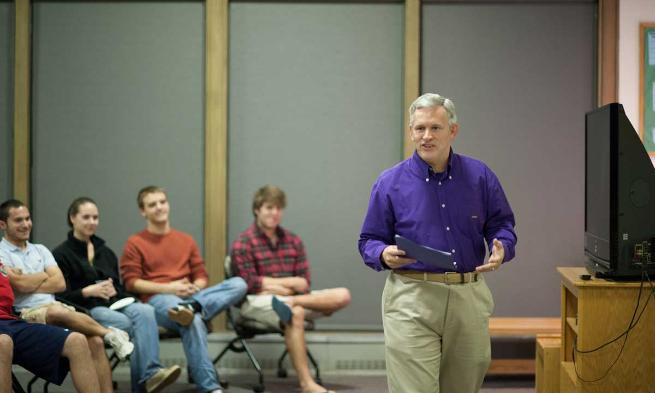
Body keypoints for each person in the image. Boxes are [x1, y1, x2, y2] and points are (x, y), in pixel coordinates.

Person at [358, 93, 517, 393]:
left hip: (467, 296)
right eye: (419, 129)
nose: (426, 136)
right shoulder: (389, 182)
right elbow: (368, 240)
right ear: (411, 132)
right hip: (411, 297)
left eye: (435, 128)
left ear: (453, 131)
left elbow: (502, 225)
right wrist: (383, 254)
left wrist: (501, 247)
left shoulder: (480, 176)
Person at [120, 186, 248, 393]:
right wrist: (169, 288)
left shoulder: (186, 240)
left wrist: (194, 287)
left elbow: (201, 276)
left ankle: (193, 306)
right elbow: (132, 282)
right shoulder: (135, 242)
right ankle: (209, 387)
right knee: (194, 320)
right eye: (152, 204)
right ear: (143, 212)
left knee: (239, 284)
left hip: (191, 296)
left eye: (162, 202)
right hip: (158, 299)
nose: (159, 207)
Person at [0, 199, 134, 393]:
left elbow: (60, 283)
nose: (26, 224)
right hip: (27, 313)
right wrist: (45, 275)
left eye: (28, 219)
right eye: (18, 220)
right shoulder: (2, 252)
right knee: (55, 310)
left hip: (56, 309)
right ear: (3, 224)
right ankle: (110, 334)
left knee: (94, 342)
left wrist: (30, 281)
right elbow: (19, 286)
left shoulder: (41, 249)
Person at [53, 197, 181, 393]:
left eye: (95, 217)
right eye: (86, 217)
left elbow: (121, 288)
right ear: (72, 218)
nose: (92, 222)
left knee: (145, 310)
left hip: (115, 302)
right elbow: (60, 298)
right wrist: (87, 291)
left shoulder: (106, 252)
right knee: (129, 324)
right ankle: (146, 382)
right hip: (88, 310)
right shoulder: (62, 254)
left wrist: (115, 290)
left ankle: (151, 375)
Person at [230, 185, 351, 393]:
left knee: (342, 295)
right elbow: (247, 284)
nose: (274, 213)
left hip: (294, 299)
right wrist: (288, 283)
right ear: (257, 209)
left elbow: (304, 283)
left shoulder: (293, 241)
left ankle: (290, 304)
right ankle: (307, 384)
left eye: (278, 208)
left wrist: (278, 288)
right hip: (255, 303)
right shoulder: (243, 243)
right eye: (269, 208)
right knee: (295, 313)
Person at [0, 259, 103, 393]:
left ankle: (108, 333)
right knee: (3, 342)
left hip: (10, 321)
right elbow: (21, 284)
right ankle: (108, 333)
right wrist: (42, 275)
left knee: (77, 340)